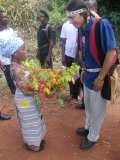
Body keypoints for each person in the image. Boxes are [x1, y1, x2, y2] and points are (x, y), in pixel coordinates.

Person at [66, 0, 117, 149]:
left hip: (98, 76)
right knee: (88, 106)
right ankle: (88, 128)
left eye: (72, 18)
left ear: (82, 14)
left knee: (97, 109)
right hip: (88, 75)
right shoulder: (81, 28)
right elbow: (85, 52)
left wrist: (101, 77)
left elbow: (112, 52)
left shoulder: (102, 24)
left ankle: (93, 136)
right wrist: (83, 70)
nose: (70, 22)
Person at [1, 34, 46, 151]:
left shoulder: (19, 65)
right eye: (23, 49)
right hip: (25, 100)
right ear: (15, 53)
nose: (26, 52)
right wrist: (41, 89)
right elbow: (25, 90)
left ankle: (37, 139)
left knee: (34, 118)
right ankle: (33, 144)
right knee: (29, 120)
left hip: (27, 98)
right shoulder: (17, 69)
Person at [60, 19, 81, 103]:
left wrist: (78, 57)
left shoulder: (79, 24)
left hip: (78, 56)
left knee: (77, 75)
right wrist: (63, 56)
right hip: (68, 54)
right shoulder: (65, 25)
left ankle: (77, 95)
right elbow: (63, 42)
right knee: (69, 75)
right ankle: (72, 94)